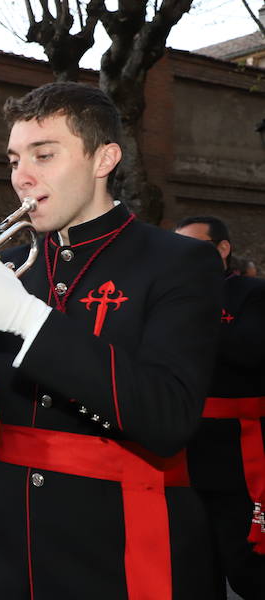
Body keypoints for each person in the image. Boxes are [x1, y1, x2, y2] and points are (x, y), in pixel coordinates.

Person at [0, 82, 223, 598]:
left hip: (119, 539)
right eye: (14, 159)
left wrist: (26, 318)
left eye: (45, 154)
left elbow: (169, 418)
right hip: (6, 541)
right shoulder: (10, 267)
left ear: (104, 159)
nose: (22, 177)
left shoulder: (179, 262)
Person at [175, 216, 265, 600]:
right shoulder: (171, 295)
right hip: (183, 450)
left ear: (222, 250)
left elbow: (251, 350)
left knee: (248, 565)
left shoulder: (252, 292)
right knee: (195, 566)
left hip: (237, 453)